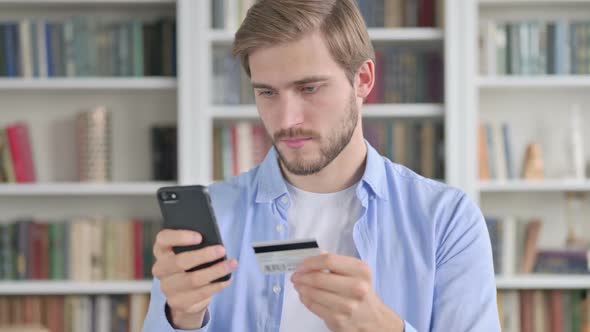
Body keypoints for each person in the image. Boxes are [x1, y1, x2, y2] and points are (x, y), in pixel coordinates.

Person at [143, 0, 501, 331]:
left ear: (362, 80)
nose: (286, 119)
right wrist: (183, 318)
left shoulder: (446, 219)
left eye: (310, 88)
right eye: (267, 92)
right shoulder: (214, 217)